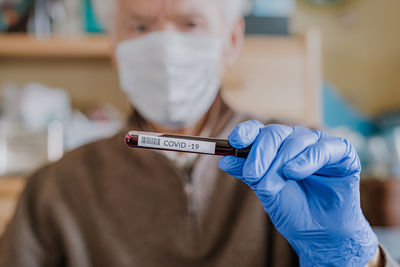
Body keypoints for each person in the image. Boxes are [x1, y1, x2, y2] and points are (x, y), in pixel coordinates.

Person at [0, 0, 398, 266]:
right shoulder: (55, 190)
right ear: (114, 45)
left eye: (190, 23)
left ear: (232, 40)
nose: (166, 46)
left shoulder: (306, 163)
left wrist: (358, 259)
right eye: (140, 26)